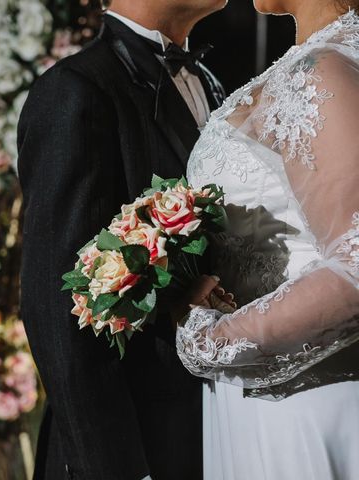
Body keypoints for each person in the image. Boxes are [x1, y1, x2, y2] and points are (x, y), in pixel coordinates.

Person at [17, 0, 227, 478]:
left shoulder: (211, 84)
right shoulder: (76, 91)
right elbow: (58, 307)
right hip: (134, 438)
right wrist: (114, 466)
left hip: (208, 423)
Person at [175, 1, 359, 478]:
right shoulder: (320, 58)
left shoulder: (324, 70)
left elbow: (355, 263)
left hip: (307, 402)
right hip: (262, 386)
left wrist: (213, 341)